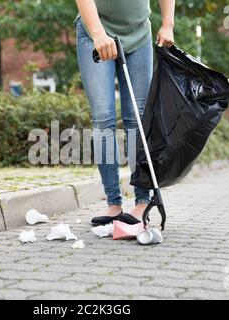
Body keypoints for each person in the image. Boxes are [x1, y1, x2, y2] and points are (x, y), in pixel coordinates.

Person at [75, 0, 175, 225]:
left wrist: (168, 23)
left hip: (138, 33)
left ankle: (142, 201)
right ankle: (113, 204)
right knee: (103, 118)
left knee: (138, 119)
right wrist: (98, 34)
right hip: (95, 31)